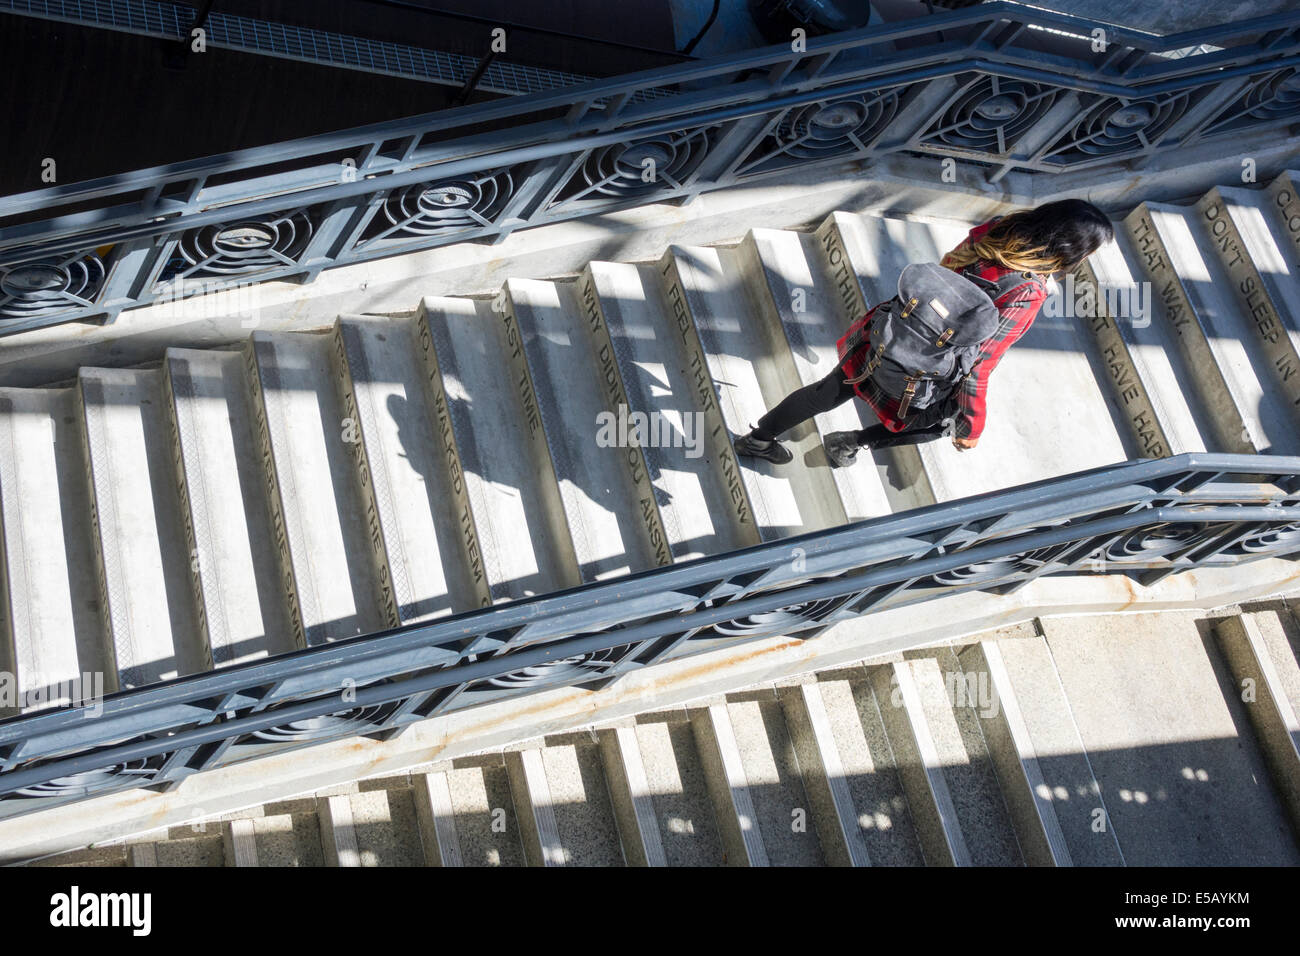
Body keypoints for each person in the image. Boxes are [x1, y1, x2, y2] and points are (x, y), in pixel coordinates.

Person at [733, 199, 1115, 467]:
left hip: (895, 326)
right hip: (927, 366)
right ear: (1072, 250)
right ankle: (850, 443)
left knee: (831, 388)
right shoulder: (1027, 291)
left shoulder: (1001, 229)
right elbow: (979, 365)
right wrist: (973, 425)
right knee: (944, 422)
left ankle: (758, 439)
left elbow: (947, 265)